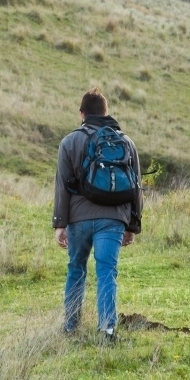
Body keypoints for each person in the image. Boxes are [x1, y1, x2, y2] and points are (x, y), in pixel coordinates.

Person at [53, 86, 143, 343]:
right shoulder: (126, 142)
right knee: (106, 271)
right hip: (114, 219)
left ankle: (70, 326)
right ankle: (107, 329)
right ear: (106, 112)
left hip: (79, 218)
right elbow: (136, 188)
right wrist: (132, 226)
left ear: (81, 114)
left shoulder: (69, 142)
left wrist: (60, 224)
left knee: (76, 268)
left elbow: (62, 185)